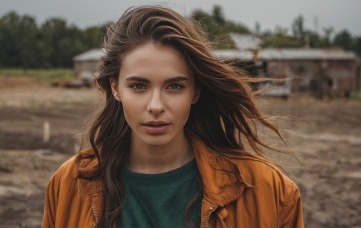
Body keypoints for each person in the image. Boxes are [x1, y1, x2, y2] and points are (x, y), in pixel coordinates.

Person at [42, 6, 304, 228]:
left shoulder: (270, 191)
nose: (156, 106)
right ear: (115, 87)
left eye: (175, 86)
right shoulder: (67, 185)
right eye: (139, 86)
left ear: (195, 91)